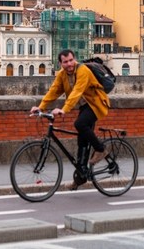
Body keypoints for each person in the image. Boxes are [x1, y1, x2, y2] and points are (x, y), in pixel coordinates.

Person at [30, 49, 111, 190]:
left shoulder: (83, 70)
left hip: (96, 104)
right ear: (60, 63)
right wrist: (41, 107)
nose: (69, 64)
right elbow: (53, 91)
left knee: (80, 124)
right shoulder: (62, 75)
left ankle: (101, 149)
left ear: (75, 59)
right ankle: (81, 176)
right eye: (65, 62)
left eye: (71, 60)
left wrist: (64, 109)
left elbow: (76, 92)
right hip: (84, 106)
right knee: (82, 140)